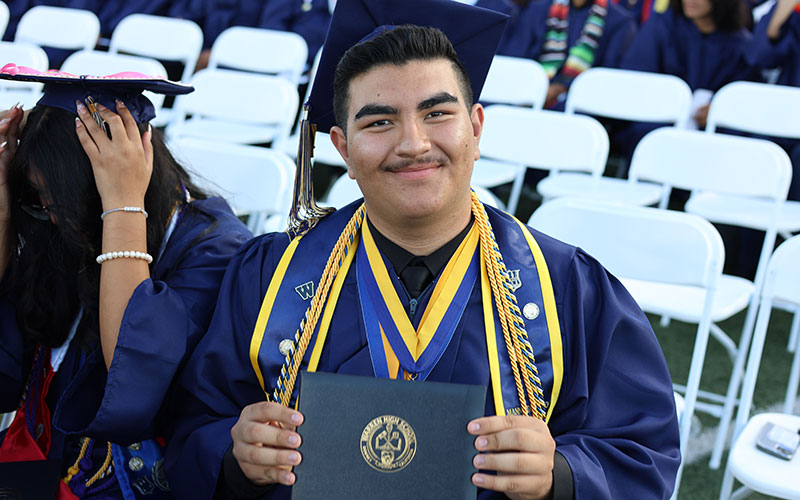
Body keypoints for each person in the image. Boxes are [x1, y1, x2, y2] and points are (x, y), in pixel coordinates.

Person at [165, 0, 680, 499]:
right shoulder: (269, 277)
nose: (413, 143)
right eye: (379, 122)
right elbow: (193, 426)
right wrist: (237, 458)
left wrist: (561, 475)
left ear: (475, 129)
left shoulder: (567, 287)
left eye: (436, 113)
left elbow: (642, 452)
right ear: (342, 148)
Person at [0, 67, 252, 498]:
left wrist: (121, 207)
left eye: (61, 198)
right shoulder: (50, 222)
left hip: (138, 482)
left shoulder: (217, 252)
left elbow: (133, 383)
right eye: (36, 197)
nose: (51, 214)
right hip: (39, 466)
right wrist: (5, 211)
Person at [616, 0, 757, 160]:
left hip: (710, 131)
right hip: (659, 120)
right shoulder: (662, 26)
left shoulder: (741, 45)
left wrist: (719, 109)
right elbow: (637, 78)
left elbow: (742, 97)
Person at [512, 0, 637, 109]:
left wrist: (562, 88)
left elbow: (607, 80)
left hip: (579, 104)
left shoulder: (619, 22)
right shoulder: (538, 10)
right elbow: (516, 59)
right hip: (528, 94)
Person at [748, 0, 800, 200]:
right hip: (783, 120)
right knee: (760, 151)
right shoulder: (794, 10)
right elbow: (760, 57)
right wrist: (780, 16)